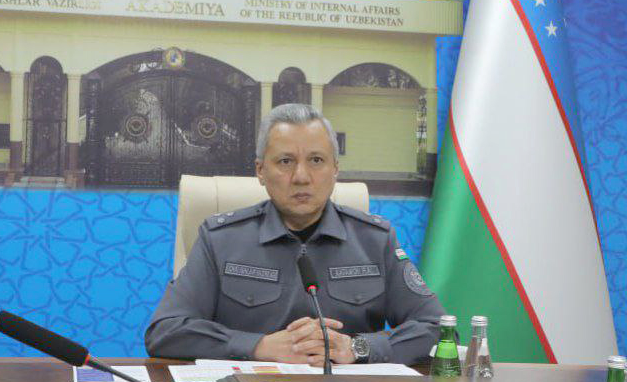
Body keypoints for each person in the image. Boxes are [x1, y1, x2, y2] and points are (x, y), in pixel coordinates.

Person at [145, 104, 445, 366]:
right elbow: (166, 331)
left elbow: (438, 328)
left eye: (316, 160)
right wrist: (257, 346)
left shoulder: (375, 240)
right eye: (285, 161)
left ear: (335, 170)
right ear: (260, 171)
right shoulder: (220, 239)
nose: (301, 177)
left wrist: (357, 347)